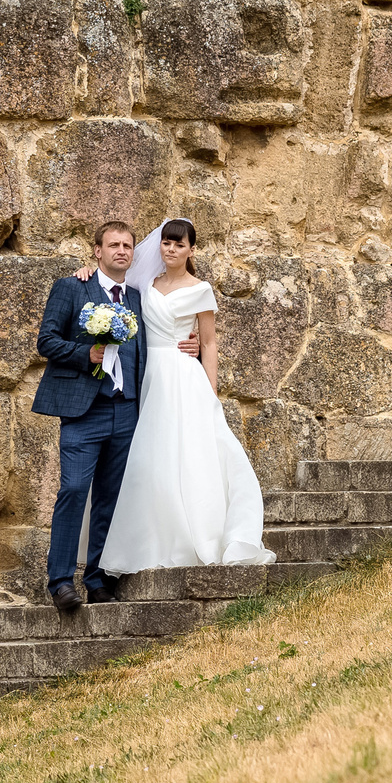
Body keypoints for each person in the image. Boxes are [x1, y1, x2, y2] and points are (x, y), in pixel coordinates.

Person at [71, 217, 275, 578]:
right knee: (148, 457)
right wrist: (88, 269)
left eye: (179, 244)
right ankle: (145, 540)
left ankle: (195, 534)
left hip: (183, 376)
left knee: (191, 454)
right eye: (166, 242)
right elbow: (110, 286)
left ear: (190, 250)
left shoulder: (201, 289)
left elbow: (209, 342)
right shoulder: (142, 284)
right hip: (147, 376)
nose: (171, 249)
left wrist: (210, 391)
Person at [29, 221, 148, 613]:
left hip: (126, 409)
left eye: (127, 246)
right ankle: (61, 581)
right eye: (113, 244)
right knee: (74, 490)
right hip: (84, 410)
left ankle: (97, 579)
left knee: (111, 499)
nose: (121, 251)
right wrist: (87, 355)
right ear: (96, 251)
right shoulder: (72, 287)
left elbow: (152, 347)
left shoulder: (137, 298)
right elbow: (46, 341)